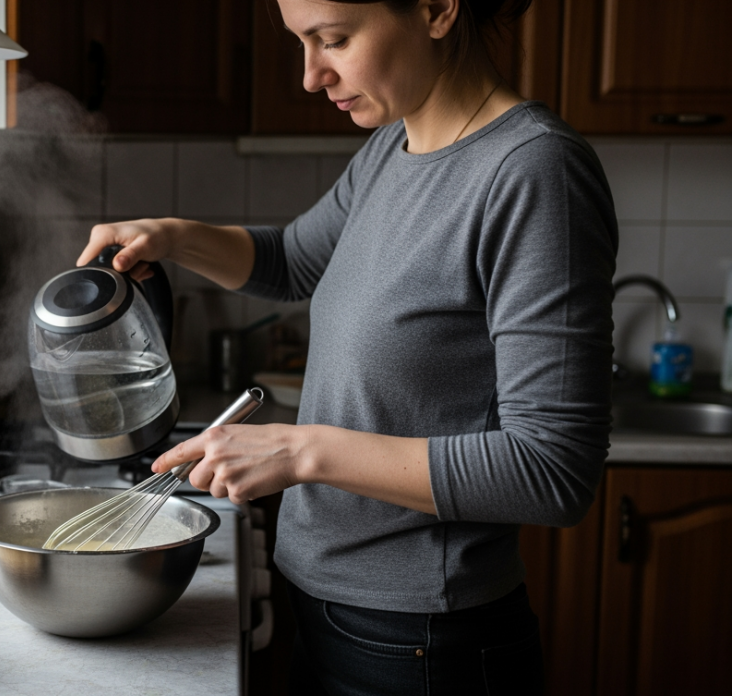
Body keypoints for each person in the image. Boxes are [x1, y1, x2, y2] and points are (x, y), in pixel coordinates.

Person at [76, 0, 617, 694]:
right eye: (302, 43)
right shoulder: (395, 145)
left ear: (436, 9)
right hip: (332, 608)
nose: (310, 75)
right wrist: (173, 236)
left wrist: (300, 450)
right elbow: (292, 262)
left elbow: (551, 470)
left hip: (424, 642)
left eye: (332, 39)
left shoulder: (533, 172)